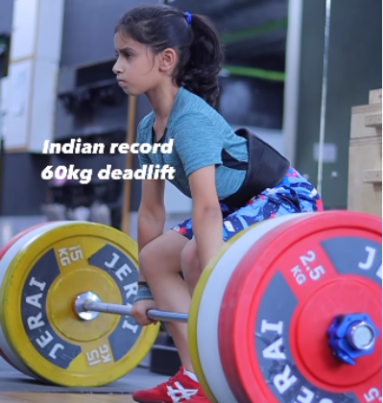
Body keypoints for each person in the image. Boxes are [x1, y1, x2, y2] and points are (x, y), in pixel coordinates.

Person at [112, 4, 322, 403]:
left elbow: (206, 209)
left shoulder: (190, 120)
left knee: (195, 258)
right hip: (231, 205)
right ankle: (193, 377)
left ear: (165, 60)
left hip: (282, 197)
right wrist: (143, 289)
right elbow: (151, 210)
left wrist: (213, 288)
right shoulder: (147, 129)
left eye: (127, 55)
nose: (116, 67)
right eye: (118, 56)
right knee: (156, 258)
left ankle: (217, 375)